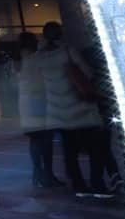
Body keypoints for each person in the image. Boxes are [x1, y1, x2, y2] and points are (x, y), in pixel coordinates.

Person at [35, 21, 111, 198]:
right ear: (60, 34)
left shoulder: (39, 57)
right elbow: (87, 73)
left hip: (57, 111)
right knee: (96, 148)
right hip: (81, 107)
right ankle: (98, 185)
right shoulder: (68, 51)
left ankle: (79, 185)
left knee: (70, 151)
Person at [15, 31, 62, 188]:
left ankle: (38, 172)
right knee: (46, 141)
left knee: (35, 140)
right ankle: (47, 174)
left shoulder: (18, 61)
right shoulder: (34, 59)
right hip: (39, 102)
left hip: (26, 105)